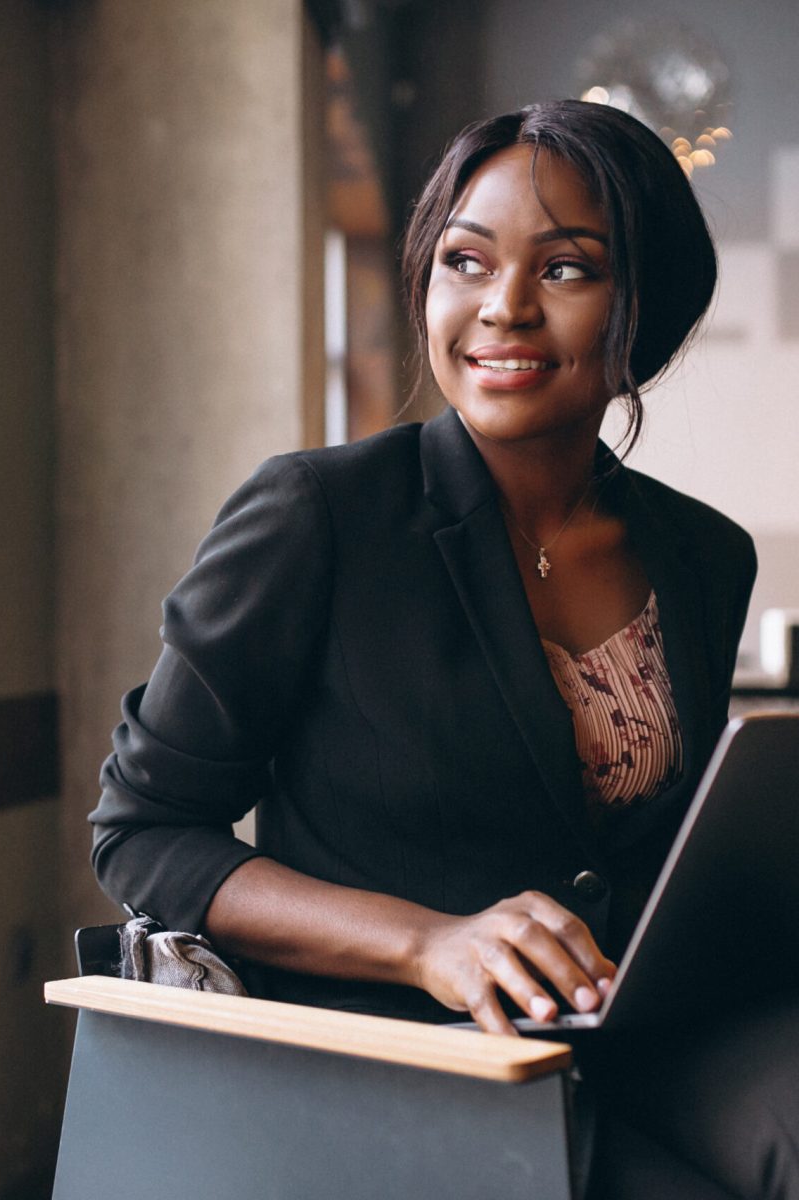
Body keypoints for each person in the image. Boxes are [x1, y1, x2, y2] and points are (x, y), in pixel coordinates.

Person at [91, 101, 795, 1198]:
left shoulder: (699, 554)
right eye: (464, 261)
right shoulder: (315, 517)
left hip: (639, 1016)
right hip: (406, 1041)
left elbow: (667, 849)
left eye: (565, 271)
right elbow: (143, 833)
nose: (501, 308)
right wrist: (428, 942)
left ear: (643, 308)